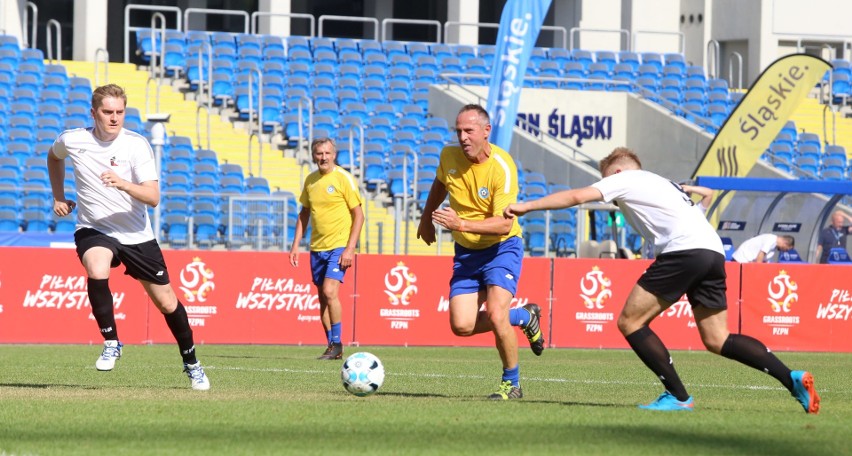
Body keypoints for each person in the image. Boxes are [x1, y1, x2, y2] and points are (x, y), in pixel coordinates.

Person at [504, 147, 819, 413]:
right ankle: (790, 377)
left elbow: (576, 196)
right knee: (717, 339)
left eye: (605, 180)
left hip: (683, 251)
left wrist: (527, 206)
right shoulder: (662, 184)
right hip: (712, 252)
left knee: (630, 322)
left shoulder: (624, 179)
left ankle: (679, 397)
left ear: (615, 173)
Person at [47, 84, 210, 390]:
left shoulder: (136, 145)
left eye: (119, 112)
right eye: (107, 112)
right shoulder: (73, 139)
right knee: (97, 268)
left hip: (136, 235)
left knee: (166, 302)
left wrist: (123, 183)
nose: (114, 118)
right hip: (94, 228)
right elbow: (53, 157)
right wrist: (59, 196)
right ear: (94, 113)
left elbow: (153, 196)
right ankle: (111, 341)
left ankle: (192, 363)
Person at [417, 104, 545, 401]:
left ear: (486, 132)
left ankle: (511, 384)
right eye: (458, 131)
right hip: (466, 252)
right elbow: (440, 183)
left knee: (496, 314)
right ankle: (524, 317)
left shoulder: (502, 166)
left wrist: (460, 222)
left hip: (502, 248)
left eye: (469, 130)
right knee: (461, 326)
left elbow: (503, 224)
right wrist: (426, 218)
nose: (462, 137)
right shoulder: (448, 156)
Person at [289, 138, 365, 360]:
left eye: (327, 153)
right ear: (314, 156)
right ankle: (332, 346)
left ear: (334, 155)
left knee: (330, 292)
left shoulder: (343, 178)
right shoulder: (311, 181)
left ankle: (337, 343)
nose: (323, 157)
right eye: (319, 153)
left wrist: (350, 249)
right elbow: (304, 213)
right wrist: (295, 245)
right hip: (317, 248)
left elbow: (359, 215)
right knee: (323, 298)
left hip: (339, 246)